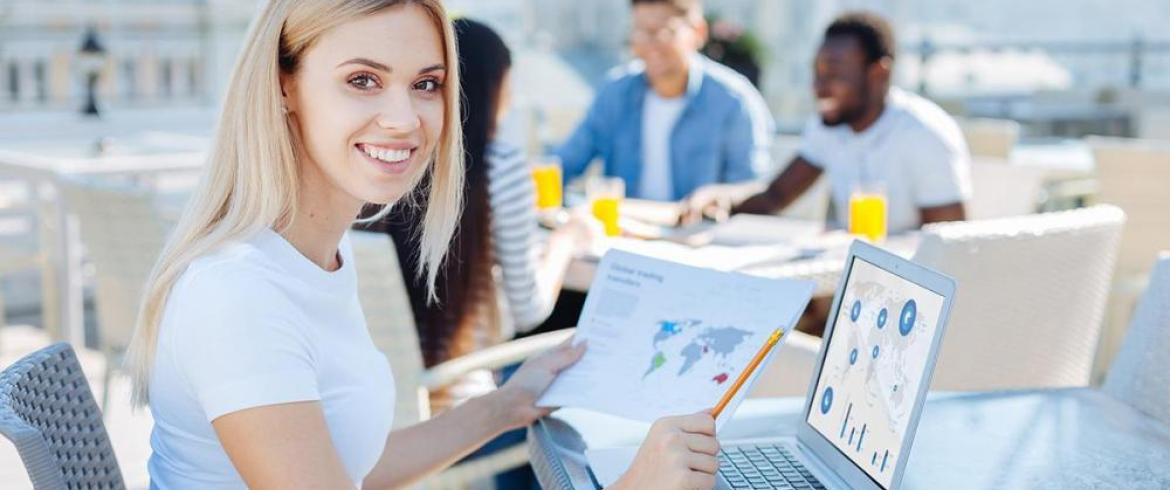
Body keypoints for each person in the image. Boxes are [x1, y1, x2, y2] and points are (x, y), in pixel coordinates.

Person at [124, 2, 717, 489]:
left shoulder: (321, 253)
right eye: (363, 80)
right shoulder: (240, 293)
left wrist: (508, 403)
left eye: (426, 84)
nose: (404, 118)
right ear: (285, 86)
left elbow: (351, 466)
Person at [683, 11, 971, 233]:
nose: (818, 87)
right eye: (817, 74)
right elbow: (775, 196)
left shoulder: (923, 133)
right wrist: (721, 197)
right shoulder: (828, 126)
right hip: (855, 275)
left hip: (907, 295)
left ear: (878, 74)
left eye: (833, 75)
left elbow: (947, 244)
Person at [556, 0, 774, 202]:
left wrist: (715, 198)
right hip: (621, 233)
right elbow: (565, 162)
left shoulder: (734, 100)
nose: (650, 44)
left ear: (698, 33)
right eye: (640, 32)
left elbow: (751, 188)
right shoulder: (615, 92)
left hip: (699, 237)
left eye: (663, 32)